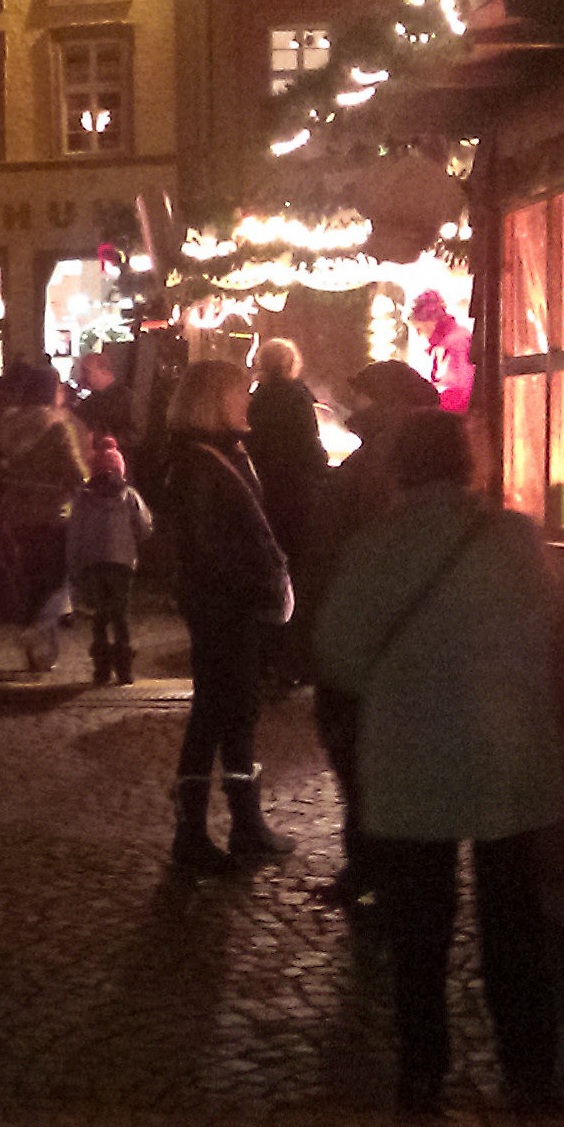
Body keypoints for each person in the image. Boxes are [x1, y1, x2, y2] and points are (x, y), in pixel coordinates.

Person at [317, 409, 564, 1114]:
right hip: (507, 750)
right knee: (514, 915)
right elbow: (553, 622)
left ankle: (422, 1069)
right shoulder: (515, 539)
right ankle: (530, 1067)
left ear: (399, 467)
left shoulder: (376, 546)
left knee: (420, 924)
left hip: (413, 756)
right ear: (469, 463)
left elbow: (338, 652)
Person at [305, 359, 445, 909]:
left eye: (360, 397)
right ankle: (378, 869)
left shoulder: (382, 463)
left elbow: (349, 547)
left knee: (364, 755)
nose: (349, 406)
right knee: (368, 758)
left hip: (372, 633)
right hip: (378, 631)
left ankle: (383, 873)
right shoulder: (385, 457)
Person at [161, 359, 295, 872]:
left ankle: (243, 824)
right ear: (217, 400)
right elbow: (203, 545)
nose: (248, 400)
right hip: (222, 605)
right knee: (217, 711)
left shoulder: (221, 452)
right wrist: (250, 583)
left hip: (233, 602)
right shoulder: (198, 462)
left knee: (236, 711)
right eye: (240, 392)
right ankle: (195, 833)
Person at [245, 338, 330, 684]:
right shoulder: (298, 398)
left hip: (266, 495)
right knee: (299, 572)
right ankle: (295, 656)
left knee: (271, 574)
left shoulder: (256, 400)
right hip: (298, 495)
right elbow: (309, 446)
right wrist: (323, 471)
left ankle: (270, 653)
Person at [0, 364, 90, 673]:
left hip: (18, 511)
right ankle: (38, 630)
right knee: (59, 577)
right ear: (52, 391)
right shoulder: (58, 426)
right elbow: (75, 472)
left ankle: (39, 652)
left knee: (32, 577)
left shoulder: (9, 424)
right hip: (53, 512)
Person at [67, 435, 153, 684]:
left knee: (99, 614)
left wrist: (74, 564)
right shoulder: (129, 495)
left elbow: (75, 532)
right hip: (122, 562)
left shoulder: (83, 498)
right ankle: (125, 669)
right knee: (120, 614)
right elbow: (145, 526)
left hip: (93, 561)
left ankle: (102, 669)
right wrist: (132, 542)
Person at [408, 291, 474, 414]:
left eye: (419, 328)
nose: (418, 334)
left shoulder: (455, 343)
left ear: (431, 321)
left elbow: (459, 392)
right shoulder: (449, 342)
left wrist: (428, 408)